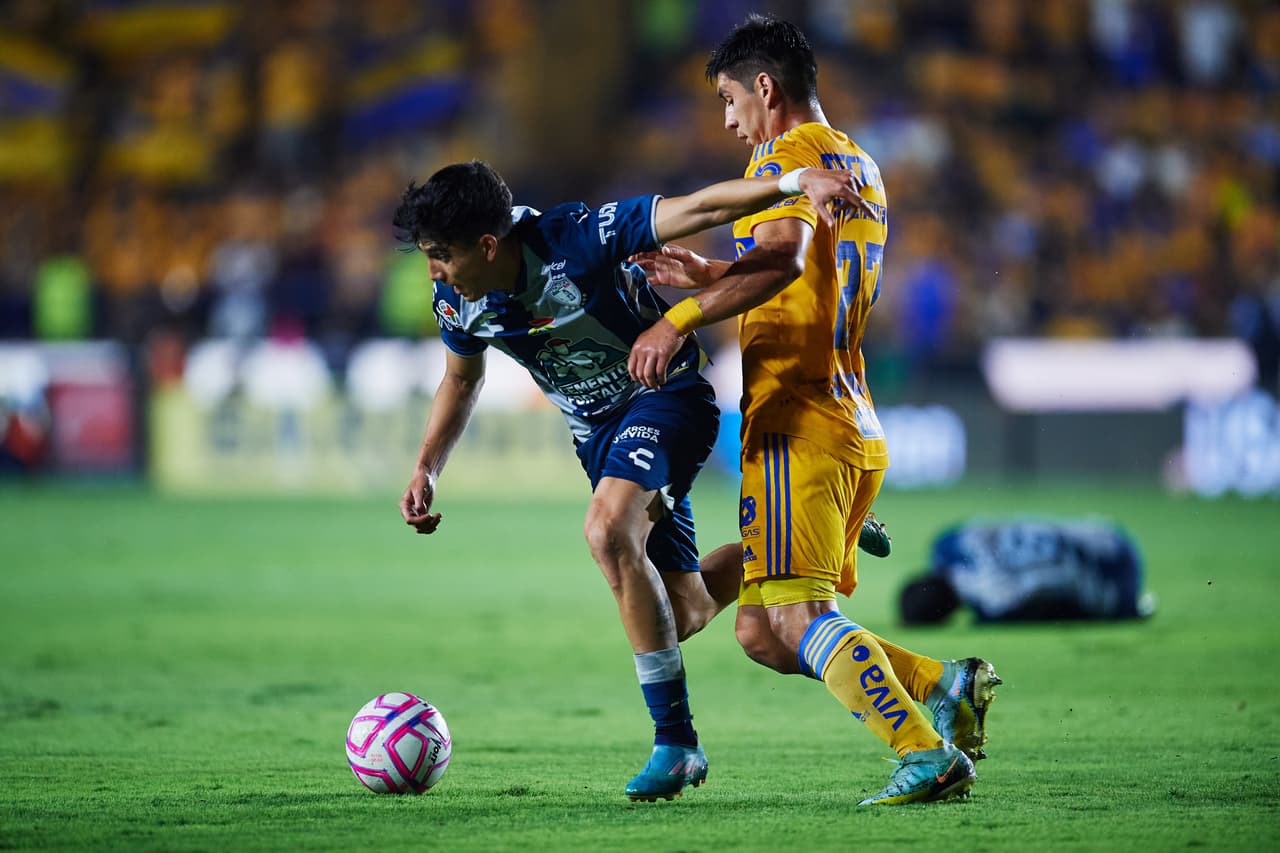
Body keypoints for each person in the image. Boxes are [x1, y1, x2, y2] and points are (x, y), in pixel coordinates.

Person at [393, 159, 868, 802]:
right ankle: (808, 530)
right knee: (682, 611)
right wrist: (427, 465)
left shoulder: (575, 239)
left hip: (666, 399)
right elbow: (461, 379)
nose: (434, 273)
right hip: (598, 439)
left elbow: (698, 208)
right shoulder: (457, 299)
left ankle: (676, 744)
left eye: (440, 256)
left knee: (607, 529)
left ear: (487, 244)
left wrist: (791, 184)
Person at [626, 14, 999, 806]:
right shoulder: (858, 161)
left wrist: (678, 317)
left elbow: (787, 261)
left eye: (731, 100)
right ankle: (945, 683)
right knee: (762, 630)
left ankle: (924, 751)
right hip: (847, 413)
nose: (729, 121)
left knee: (795, 617)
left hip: (800, 418)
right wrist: (710, 271)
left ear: (766, 88)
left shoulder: (785, 157)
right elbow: (800, 271)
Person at [901, 516, 1155, 625]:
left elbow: (1056, 611)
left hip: (1116, 588)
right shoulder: (950, 541)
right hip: (1104, 535)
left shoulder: (993, 606)